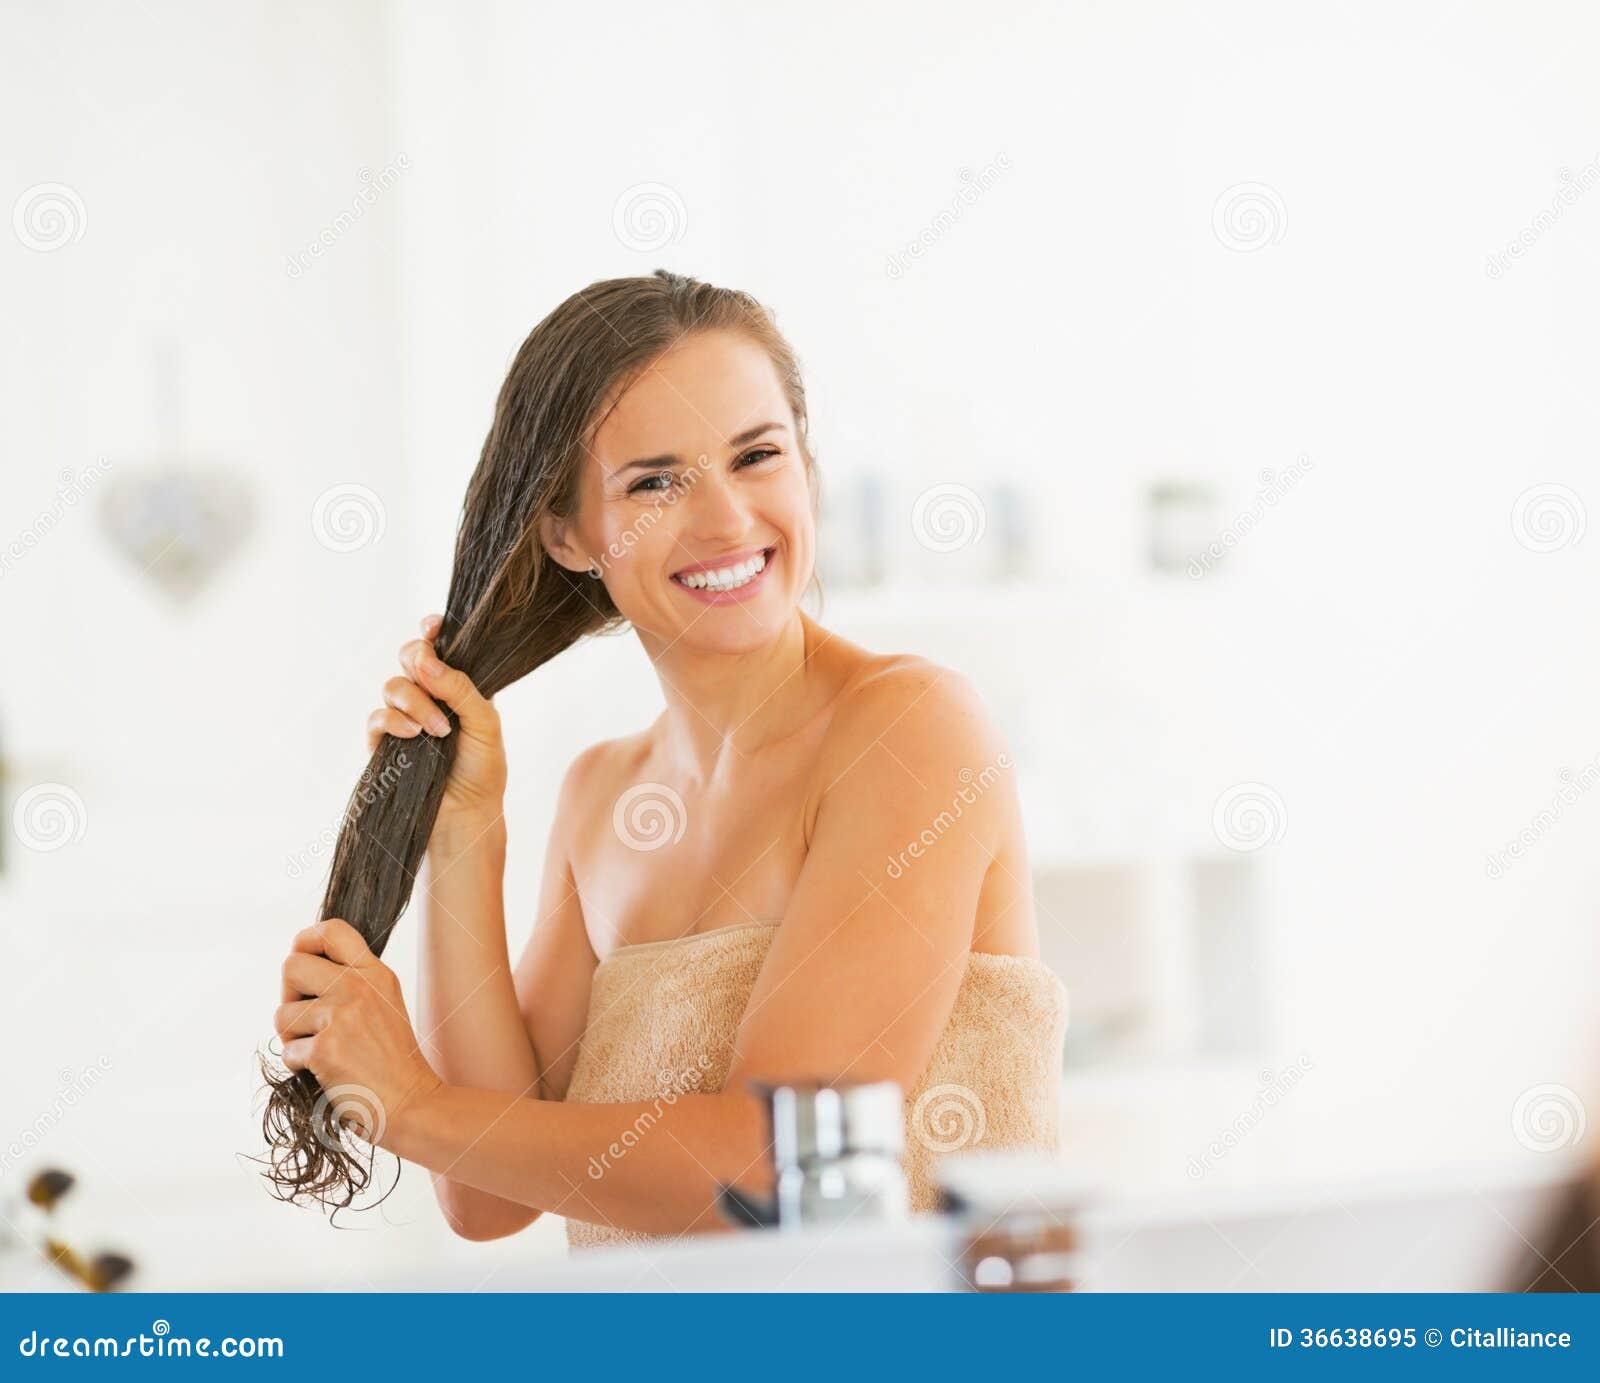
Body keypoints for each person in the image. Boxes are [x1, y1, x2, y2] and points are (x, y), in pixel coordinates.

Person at [272, 271, 1067, 1249]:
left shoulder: (908, 729)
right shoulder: (602, 796)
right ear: (567, 532)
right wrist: (465, 833)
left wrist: (407, 1105)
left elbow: (778, 1168)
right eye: (655, 480)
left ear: (806, 469)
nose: (727, 518)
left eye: (757, 456)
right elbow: (486, 1197)